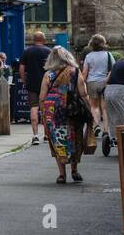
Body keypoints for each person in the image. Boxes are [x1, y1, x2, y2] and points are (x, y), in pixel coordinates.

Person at [39, 46, 91, 184]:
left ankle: (62, 174)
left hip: (52, 109)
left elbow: (42, 96)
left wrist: (43, 113)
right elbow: (83, 93)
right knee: (74, 136)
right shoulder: (75, 72)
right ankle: (74, 170)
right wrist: (88, 108)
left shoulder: (48, 74)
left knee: (57, 138)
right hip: (71, 108)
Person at [20, 31, 52, 145]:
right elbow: (53, 69)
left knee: (34, 107)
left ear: (34, 40)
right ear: (43, 40)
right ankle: (47, 135)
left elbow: (22, 68)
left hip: (32, 84)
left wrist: (24, 80)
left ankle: (35, 136)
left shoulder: (27, 51)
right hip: (46, 84)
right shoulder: (49, 51)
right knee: (46, 109)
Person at [81, 34, 112, 142]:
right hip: (105, 82)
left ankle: (96, 125)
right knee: (104, 108)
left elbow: (84, 72)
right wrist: (106, 80)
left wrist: (82, 84)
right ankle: (105, 131)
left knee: (94, 107)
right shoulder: (108, 55)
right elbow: (113, 69)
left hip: (92, 82)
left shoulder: (89, 56)